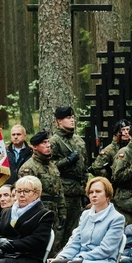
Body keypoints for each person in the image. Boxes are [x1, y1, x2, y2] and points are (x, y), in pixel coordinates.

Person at [48, 177, 125, 263]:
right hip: (80, 259)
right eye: (91, 192)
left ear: (107, 194)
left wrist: (80, 258)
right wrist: (61, 256)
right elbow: (76, 241)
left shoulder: (117, 218)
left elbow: (106, 249)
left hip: (102, 262)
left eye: (98, 191)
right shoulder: (85, 215)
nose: (94, 195)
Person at [17, 131, 67, 250]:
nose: (48, 145)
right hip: (39, 213)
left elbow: (59, 190)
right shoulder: (29, 168)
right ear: (35, 146)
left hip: (54, 211)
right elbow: (25, 196)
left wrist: (62, 211)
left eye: (48, 142)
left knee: (55, 246)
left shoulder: (52, 166)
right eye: (44, 143)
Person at [51, 106, 87, 247]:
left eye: (72, 117)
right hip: (63, 192)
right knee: (61, 230)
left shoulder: (79, 141)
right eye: (68, 118)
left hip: (78, 192)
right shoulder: (54, 141)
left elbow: (84, 166)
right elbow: (49, 166)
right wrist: (67, 161)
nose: (72, 120)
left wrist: (85, 187)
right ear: (59, 121)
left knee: (75, 230)